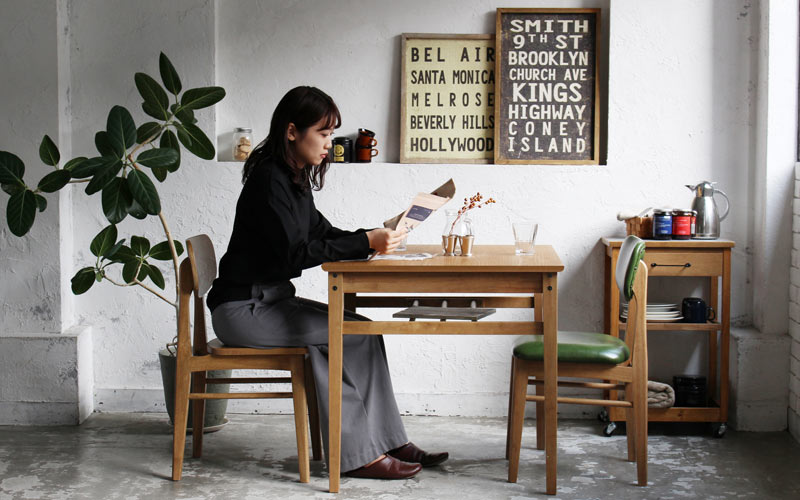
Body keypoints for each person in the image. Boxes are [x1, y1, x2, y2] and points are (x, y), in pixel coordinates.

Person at [207, 86, 448, 480]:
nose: (328, 144)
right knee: (341, 335)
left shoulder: (292, 178)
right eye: (322, 133)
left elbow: (322, 233)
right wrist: (366, 242)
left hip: (270, 302)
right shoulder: (269, 180)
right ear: (291, 132)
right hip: (243, 310)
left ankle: (388, 441)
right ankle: (358, 455)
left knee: (363, 331)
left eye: (331, 134)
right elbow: (295, 254)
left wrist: (371, 237)